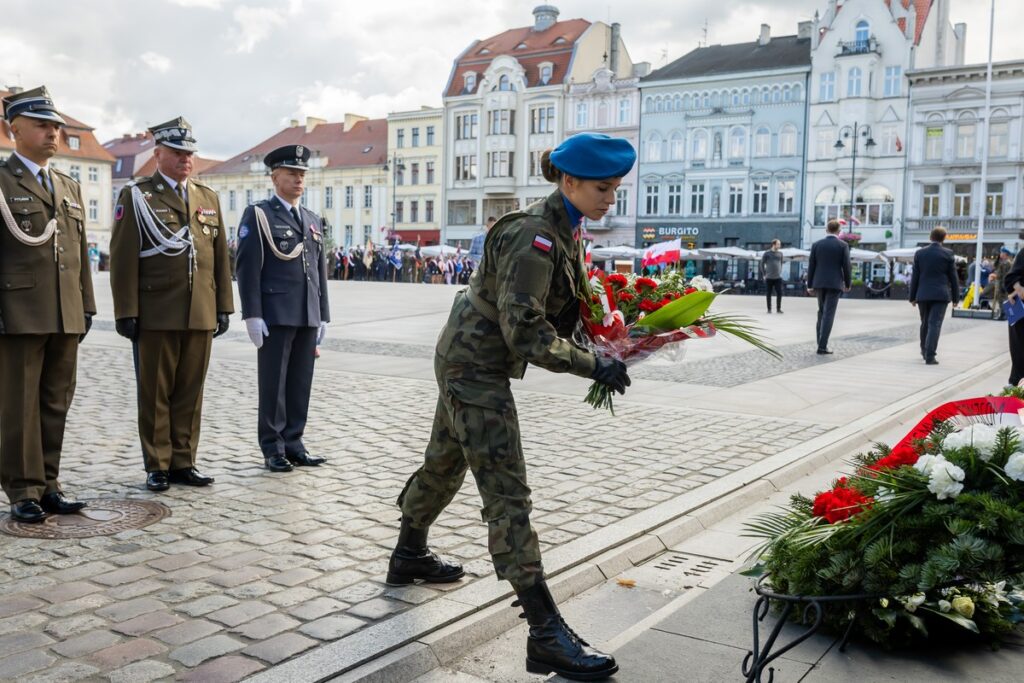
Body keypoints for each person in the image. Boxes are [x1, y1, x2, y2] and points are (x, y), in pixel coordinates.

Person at [389, 132, 632, 681]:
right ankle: (545, 633)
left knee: (444, 463)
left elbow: (559, 307)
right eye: (602, 187)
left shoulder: (564, 228)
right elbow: (525, 332)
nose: (610, 198)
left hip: (469, 358)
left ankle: (408, 555)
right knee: (506, 489)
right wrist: (596, 365)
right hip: (473, 368)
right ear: (568, 181)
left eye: (615, 189)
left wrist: (613, 337)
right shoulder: (534, 237)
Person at [110, 117, 234, 492]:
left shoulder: (206, 197)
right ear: (159, 153)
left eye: (189, 153)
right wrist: (126, 311)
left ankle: (184, 460)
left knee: (190, 392)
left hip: (199, 310)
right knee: (156, 392)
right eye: (178, 152)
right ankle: (158, 463)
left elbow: (219, 258)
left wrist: (223, 306)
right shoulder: (137, 195)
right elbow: (123, 257)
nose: (186, 159)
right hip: (157, 311)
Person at [0, 86, 95, 522]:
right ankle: (21, 489)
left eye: (55, 126)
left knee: (56, 400)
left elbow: (78, 255)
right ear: (13, 128)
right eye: (42, 125)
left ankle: (49, 483)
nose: (52, 133)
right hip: (18, 312)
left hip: (64, 311)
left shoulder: (68, 186)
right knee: (19, 403)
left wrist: (86, 306)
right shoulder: (3, 182)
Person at [234, 145, 330, 472]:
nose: (298, 179)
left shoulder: (312, 220)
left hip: (306, 312)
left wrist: (323, 314)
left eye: (302, 174)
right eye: (292, 173)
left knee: (300, 382)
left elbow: (320, 271)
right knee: (273, 384)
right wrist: (252, 314)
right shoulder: (259, 214)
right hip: (275, 312)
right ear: (275, 178)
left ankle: (294, 441)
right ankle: (272, 447)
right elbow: (247, 268)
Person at [909, 227, 960, 365]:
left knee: (925, 322)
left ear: (930, 237)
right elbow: (953, 278)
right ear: (944, 238)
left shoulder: (920, 253)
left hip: (923, 294)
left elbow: (915, 276)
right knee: (934, 324)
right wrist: (956, 298)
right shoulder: (948, 253)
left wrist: (912, 296)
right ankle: (930, 355)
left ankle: (924, 350)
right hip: (940, 295)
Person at [807, 219, 851, 355]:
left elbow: (811, 266)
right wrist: (848, 283)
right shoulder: (843, 245)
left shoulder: (816, 245)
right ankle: (822, 346)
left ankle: (819, 341)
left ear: (826, 230)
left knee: (821, 312)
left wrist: (809, 284)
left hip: (819, 283)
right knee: (828, 314)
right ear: (839, 231)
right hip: (834, 283)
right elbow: (846, 266)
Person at [1002, 247, 1024, 385]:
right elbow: (1011, 278)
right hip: (1021, 311)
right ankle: (1015, 388)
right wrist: (1020, 289)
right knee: (1020, 354)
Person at [760, 239, 784, 314]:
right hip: (769, 277)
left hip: (778, 277)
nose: (780, 246)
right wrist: (764, 274)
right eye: (778, 244)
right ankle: (769, 309)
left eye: (780, 244)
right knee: (768, 294)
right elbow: (761, 264)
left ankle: (778, 309)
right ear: (774, 244)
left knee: (779, 293)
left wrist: (780, 271)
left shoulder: (780, 253)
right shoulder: (767, 253)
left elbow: (781, 263)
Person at [988, 247, 1013, 319]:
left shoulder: (1006, 263)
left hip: (1002, 283)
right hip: (1000, 283)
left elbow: (1005, 275)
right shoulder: (1003, 262)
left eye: (1002, 253)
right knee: (1000, 299)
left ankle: (1003, 314)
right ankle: (1002, 314)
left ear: (1005, 254)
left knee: (1002, 299)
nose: (1000, 254)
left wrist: (1003, 286)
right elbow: (996, 267)